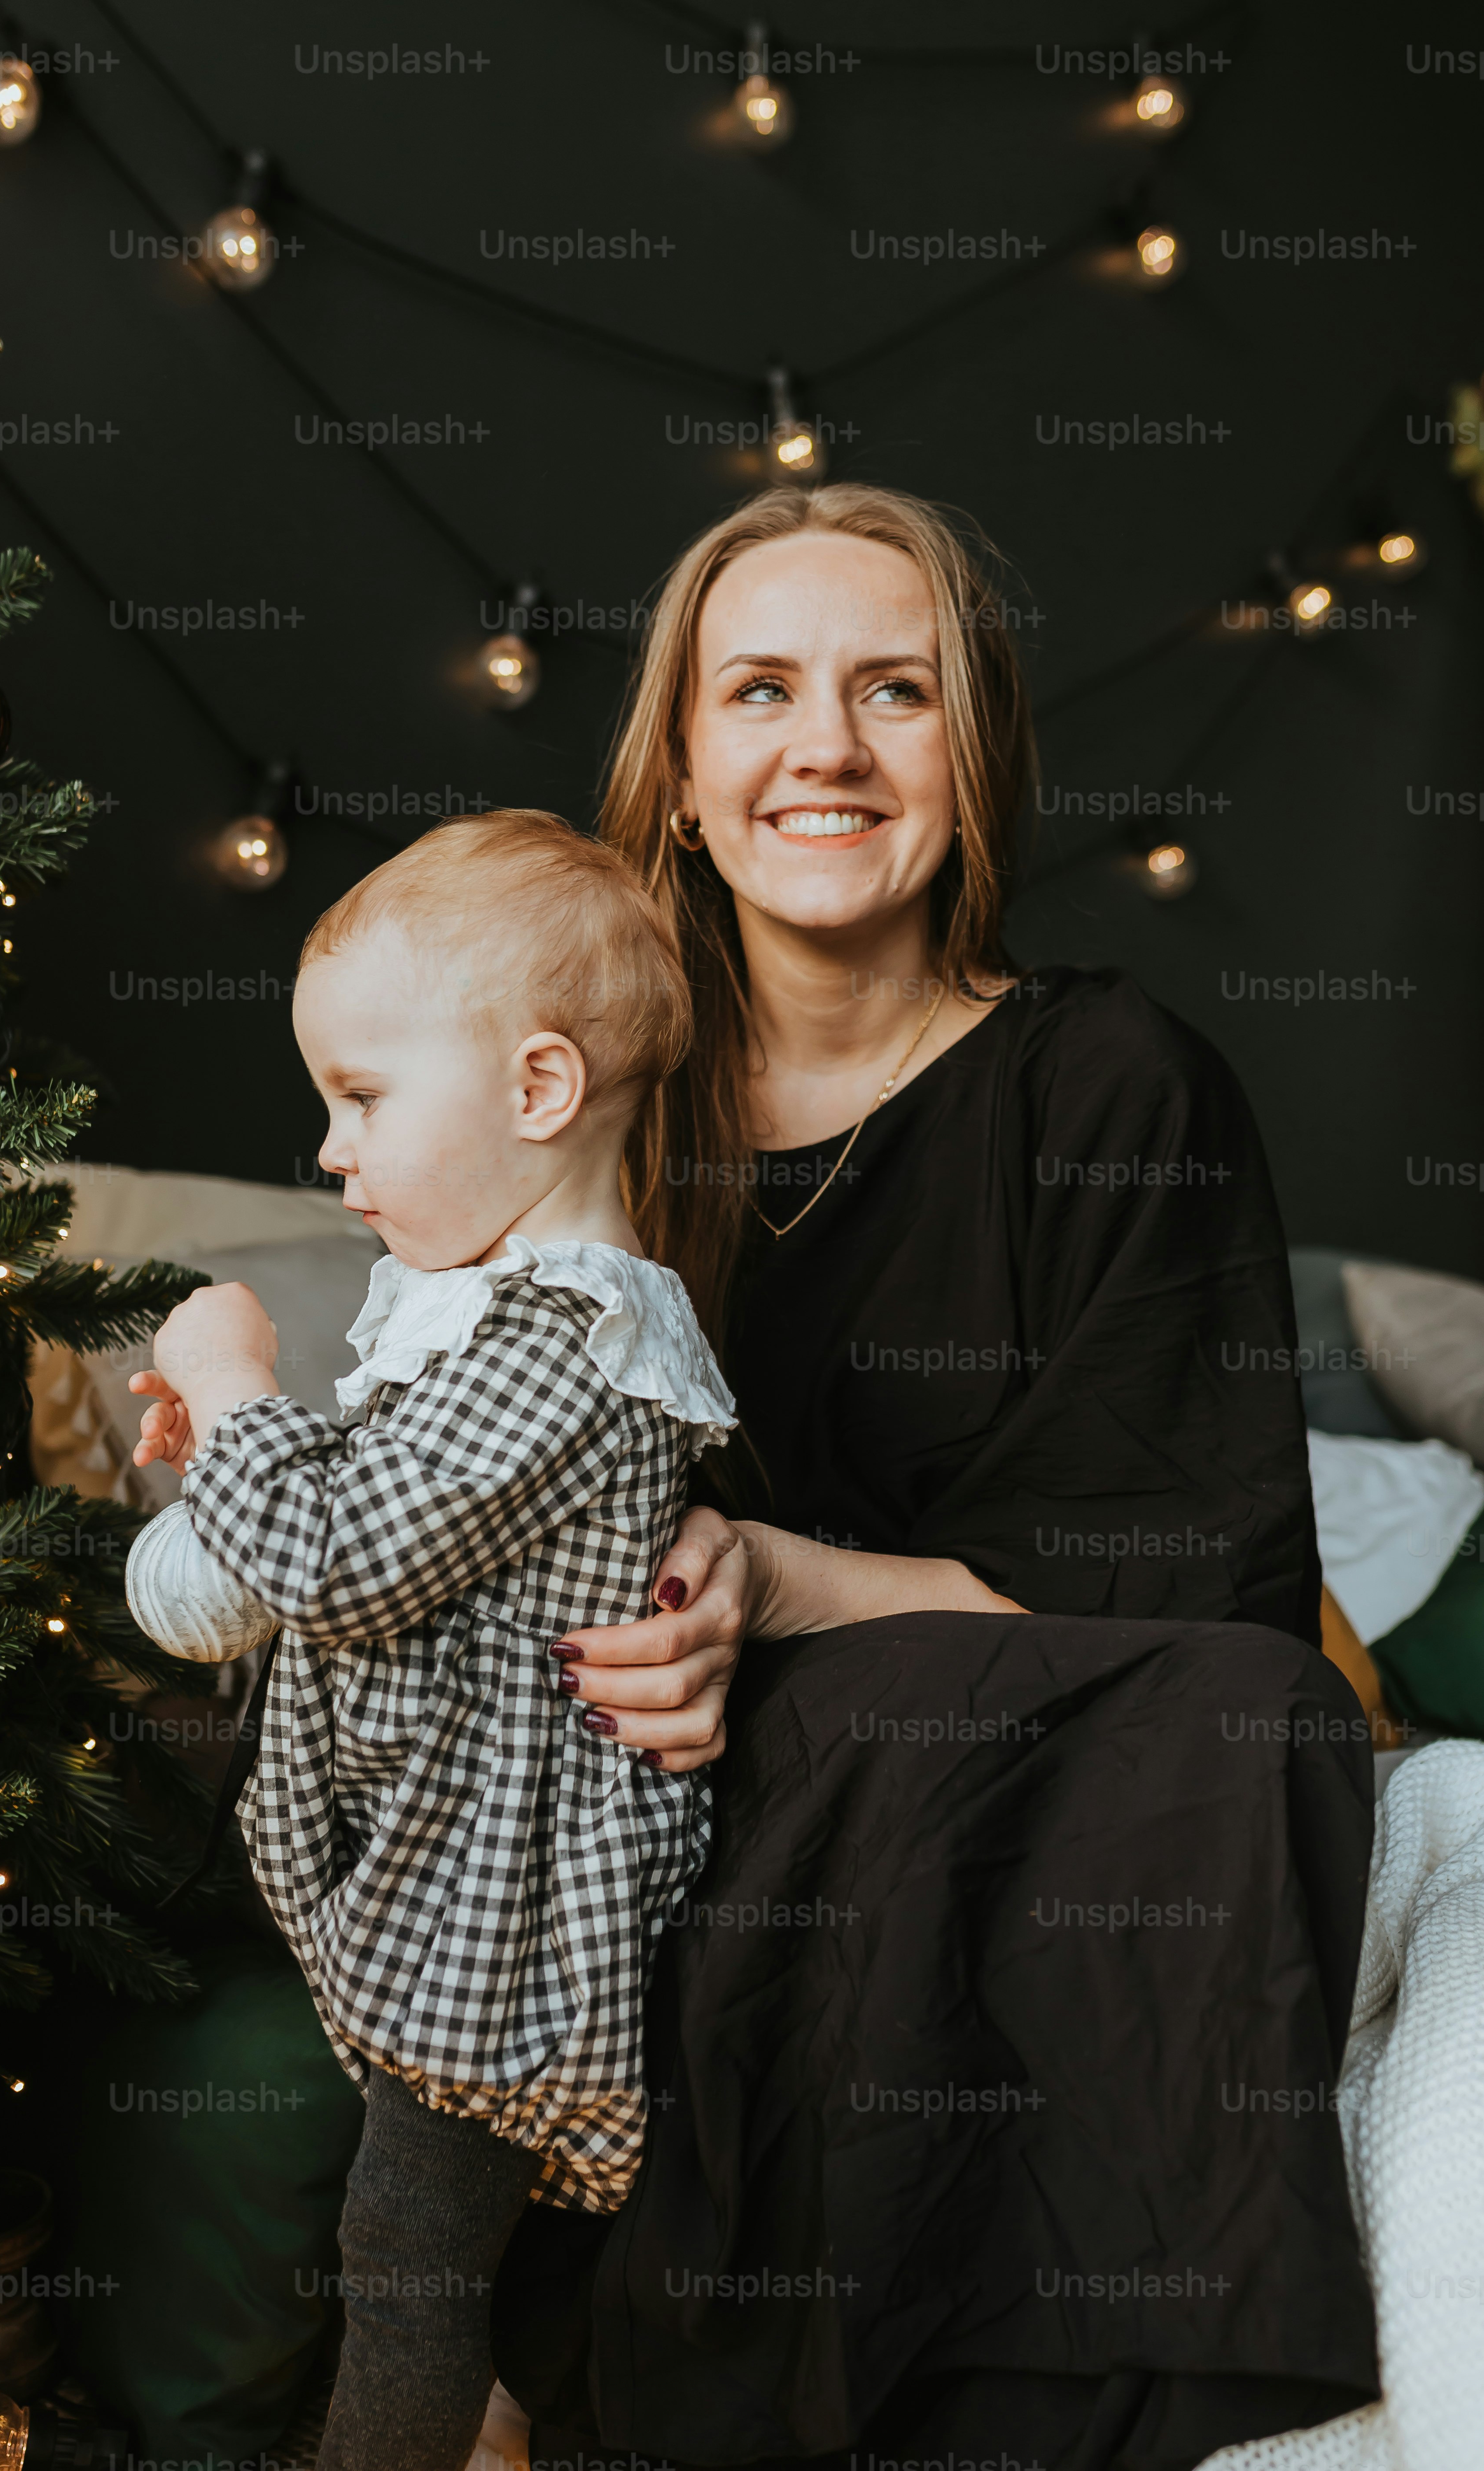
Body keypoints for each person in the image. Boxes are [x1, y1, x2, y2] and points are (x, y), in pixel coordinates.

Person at [489, 485, 1381, 2471]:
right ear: (687, 777)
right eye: (764, 693)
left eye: (898, 689)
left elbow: (1185, 1577)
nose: (829, 747)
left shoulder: (1117, 1081)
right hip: (657, 1772)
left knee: (1259, 1710)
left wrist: (790, 1582)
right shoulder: (564, 1097)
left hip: (1044, 1740)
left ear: (974, 765)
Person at [119, 810, 737, 2471]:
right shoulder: (482, 1316)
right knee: (442, 2257)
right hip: (431, 1864)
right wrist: (229, 1463)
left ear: (539, 1093)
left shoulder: (569, 1337)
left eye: (363, 1097)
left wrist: (247, 1381)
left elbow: (344, 1559)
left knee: (401, 2264)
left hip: (500, 1906)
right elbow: (320, 1538)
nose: (328, 1148)